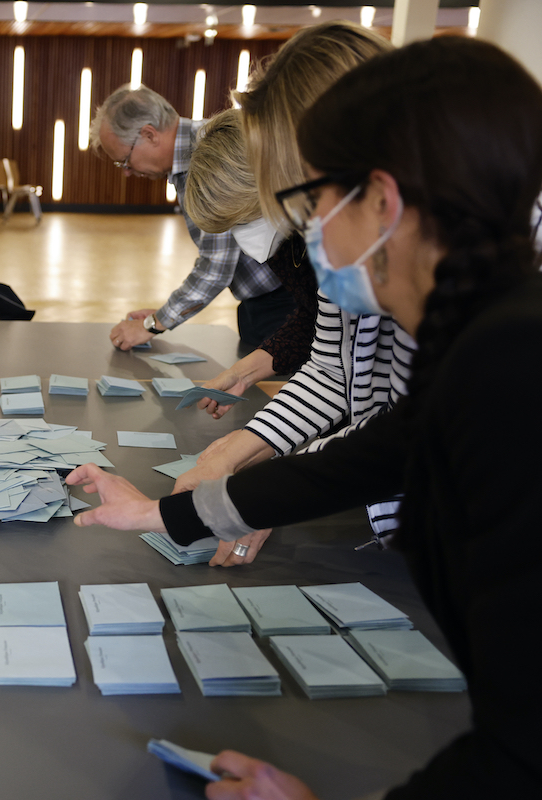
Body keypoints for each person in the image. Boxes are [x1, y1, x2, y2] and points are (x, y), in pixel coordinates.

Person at [69, 36, 542, 798]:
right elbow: (381, 445)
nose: (303, 236)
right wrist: (181, 510)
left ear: (382, 200)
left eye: (311, 205)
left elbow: (521, 749)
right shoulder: (482, 343)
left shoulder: (506, 366)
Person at [174, 21, 409, 567]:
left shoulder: (458, 248)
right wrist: (236, 450)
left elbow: (410, 428)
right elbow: (331, 369)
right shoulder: (346, 231)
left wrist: (267, 492)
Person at [92, 85, 295, 351]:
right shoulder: (189, 154)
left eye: (125, 161)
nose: (127, 173)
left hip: (285, 302)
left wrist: (153, 324)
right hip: (261, 300)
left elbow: (216, 267)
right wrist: (162, 314)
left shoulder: (207, 152)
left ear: (149, 134)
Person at [181, 109, 316, 392]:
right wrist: (241, 374)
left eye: (243, 220)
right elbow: (316, 319)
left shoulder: (327, 239)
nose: (241, 237)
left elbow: (339, 360)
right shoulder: (285, 242)